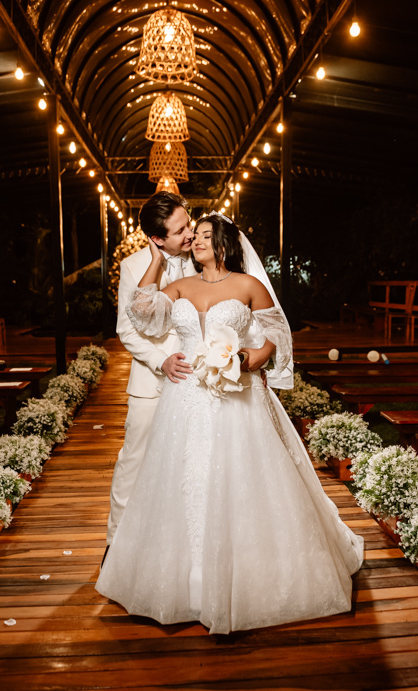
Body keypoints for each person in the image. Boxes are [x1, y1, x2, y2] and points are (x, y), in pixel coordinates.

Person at [96, 213, 363, 634]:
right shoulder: (179, 286)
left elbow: (278, 333)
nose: (195, 240)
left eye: (205, 235)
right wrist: (156, 259)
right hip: (185, 398)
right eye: (194, 234)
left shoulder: (248, 285)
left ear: (223, 244)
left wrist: (254, 358)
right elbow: (142, 312)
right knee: (184, 477)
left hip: (238, 395)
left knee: (240, 477)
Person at [107, 191, 198, 554]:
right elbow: (126, 331)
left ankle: (179, 547)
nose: (190, 234)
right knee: (133, 461)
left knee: (190, 461)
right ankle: (116, 544)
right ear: (157, 238)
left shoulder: (203, 258)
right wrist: (162, 361)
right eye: (180, 231)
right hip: (150, 384)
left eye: (189, 224)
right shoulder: (133, 267)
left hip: (197, 379)